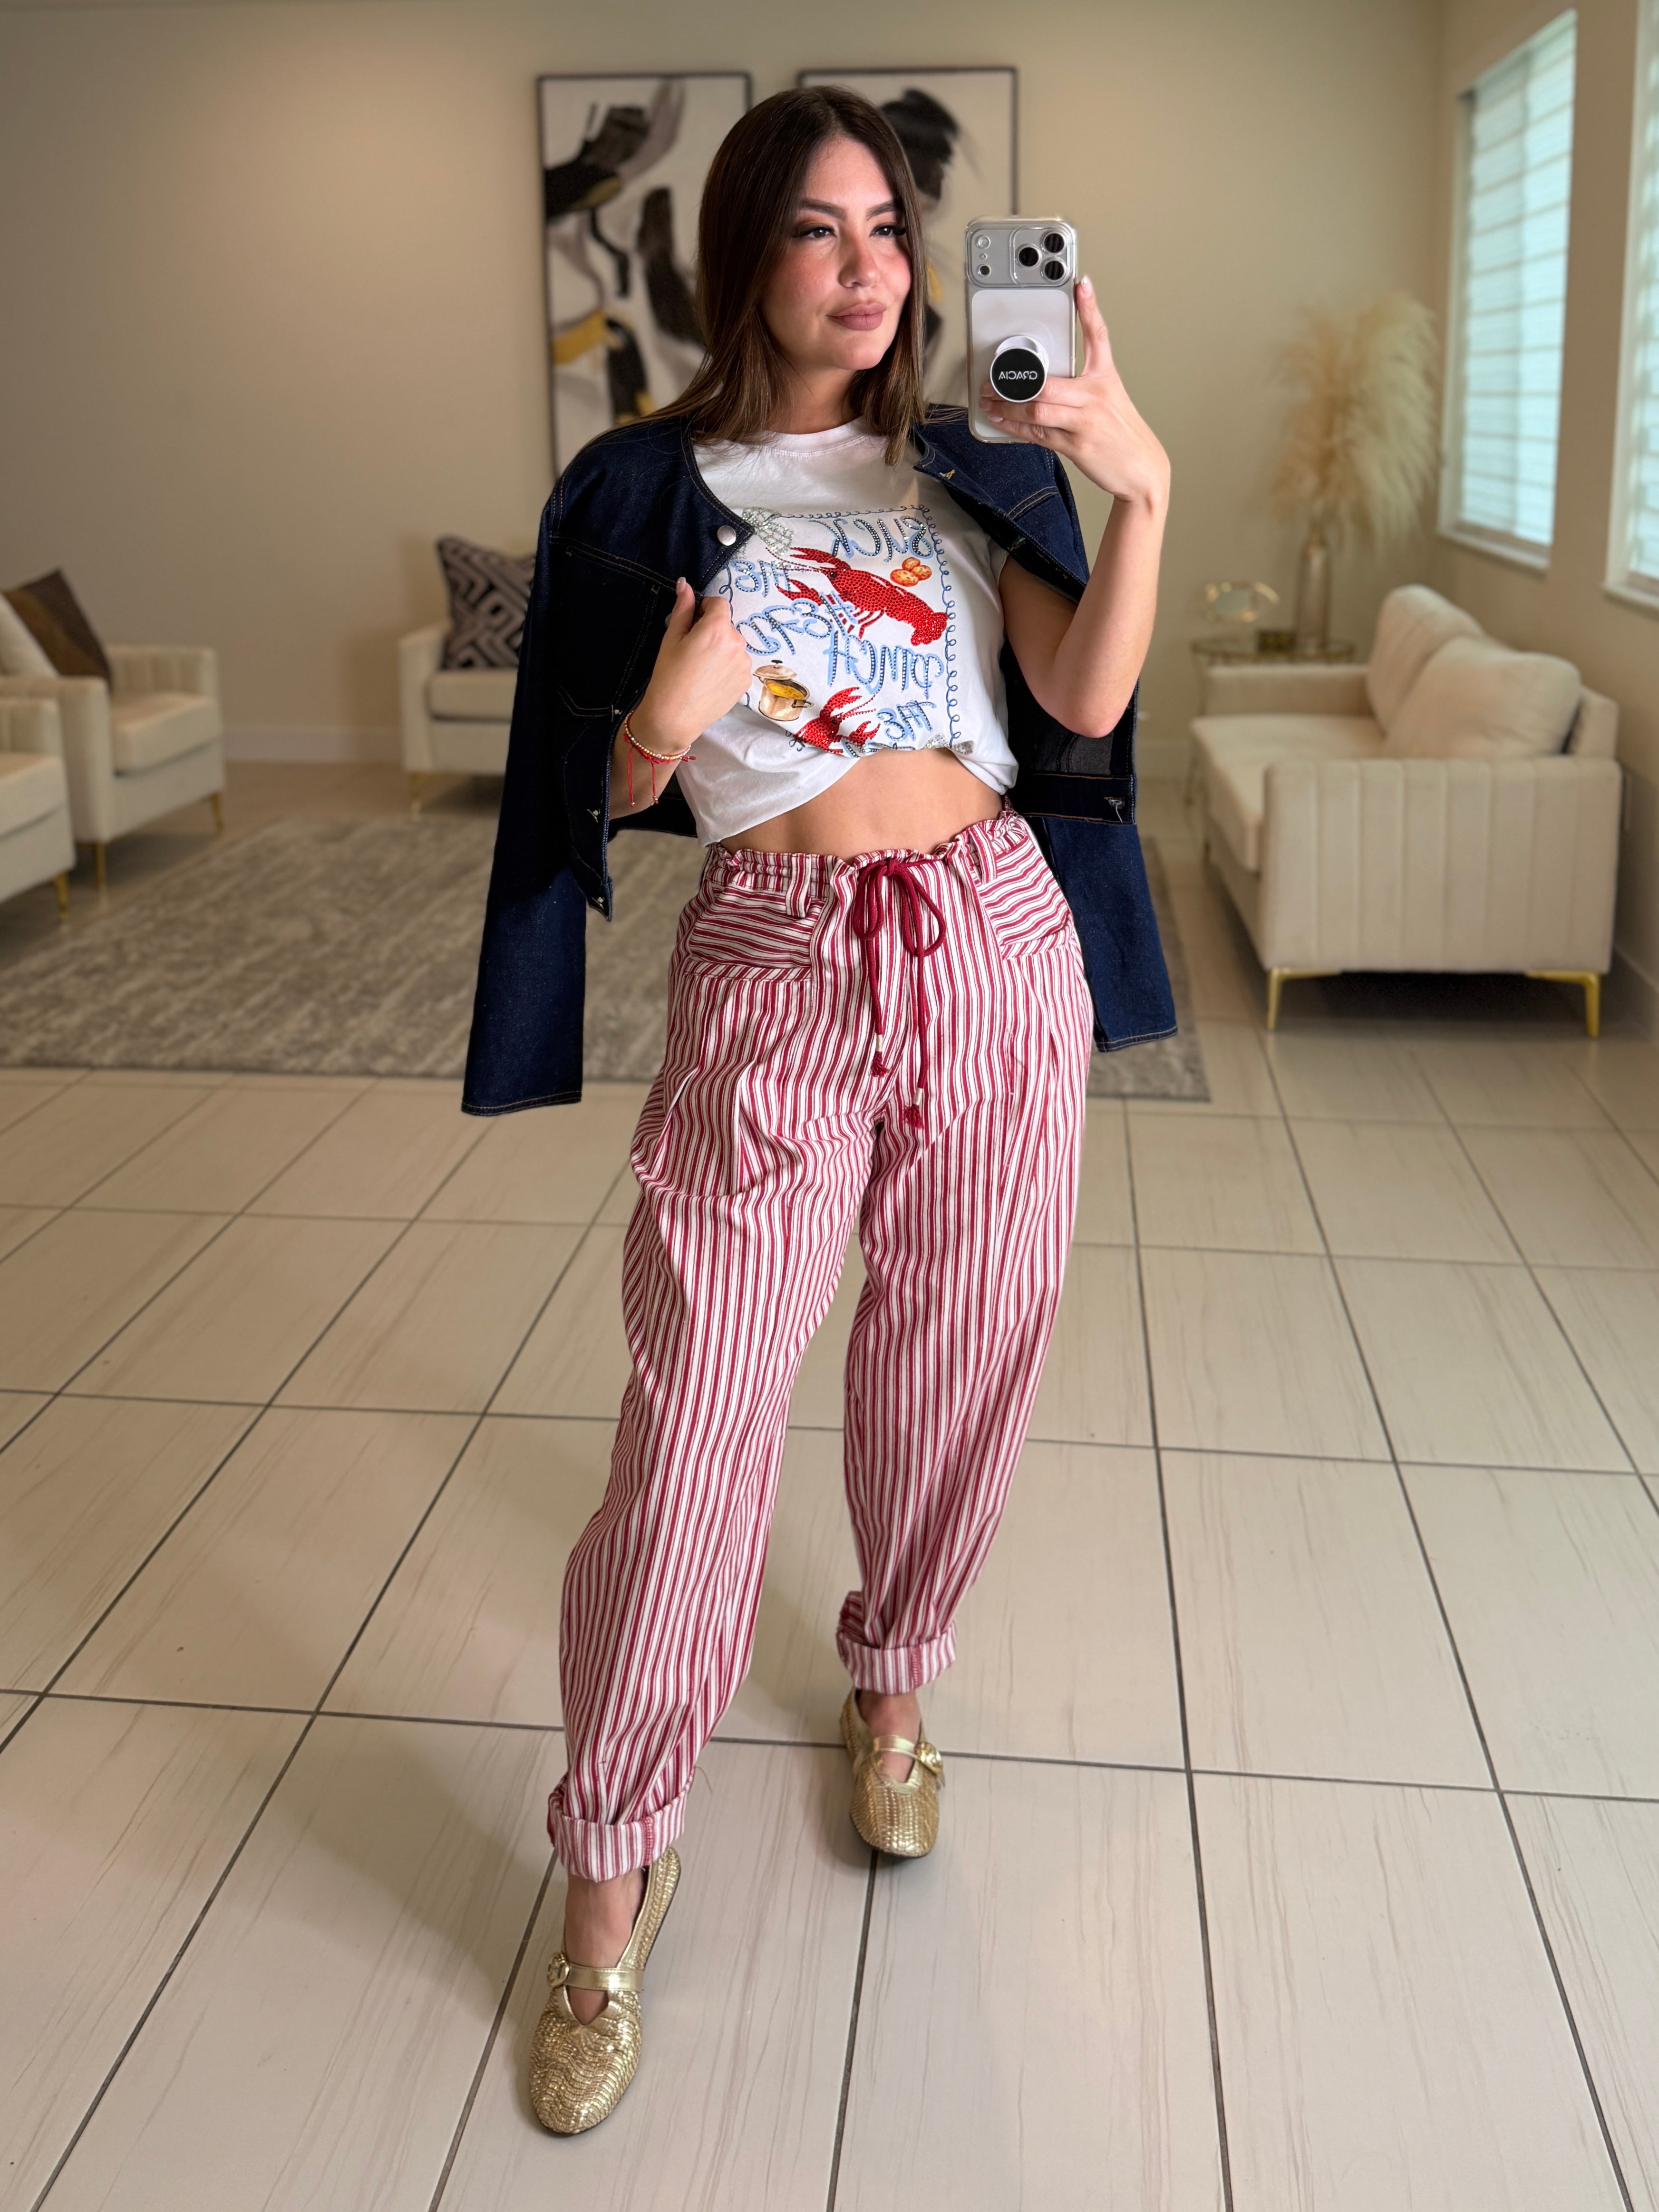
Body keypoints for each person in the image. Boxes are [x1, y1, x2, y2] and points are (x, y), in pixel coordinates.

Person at [460, 86, 1172, 2137]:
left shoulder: (975, 468)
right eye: (821, 232)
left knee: (956, 1368)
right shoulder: (637, 487)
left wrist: (1138, 490)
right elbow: (575, 799)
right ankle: (606, 1876)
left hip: (993, 937)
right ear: (745, 258)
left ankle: (893, 1673)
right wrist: (663, 724)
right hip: (773, 957)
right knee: (691, 1438)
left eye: (892, 233)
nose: (869, 269)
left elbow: (1089, 702)